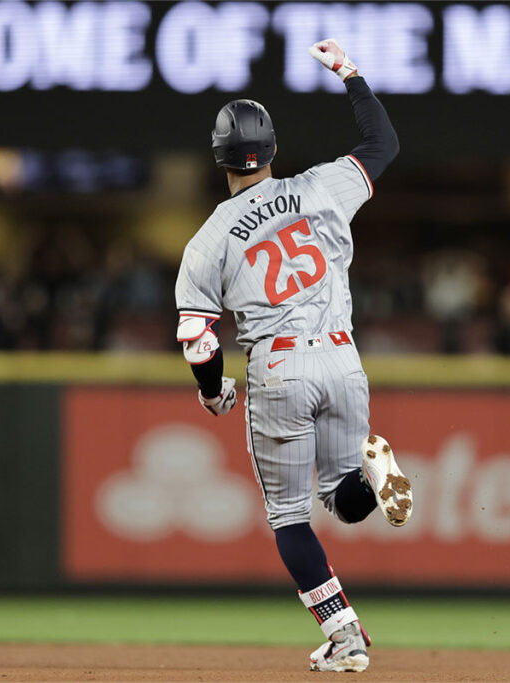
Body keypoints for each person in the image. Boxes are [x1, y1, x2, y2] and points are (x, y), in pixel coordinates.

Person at [174, 39, 409, 673]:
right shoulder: (323, 185)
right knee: (343, 498)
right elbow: (384, 144)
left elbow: (197, 338)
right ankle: (378, 478)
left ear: (220, 157)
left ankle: (347, 636)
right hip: (342, 357)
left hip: (277, 366)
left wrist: (210, 389)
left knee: (289, 517)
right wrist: (349, 72)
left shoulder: (208, 239)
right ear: (272, 149)